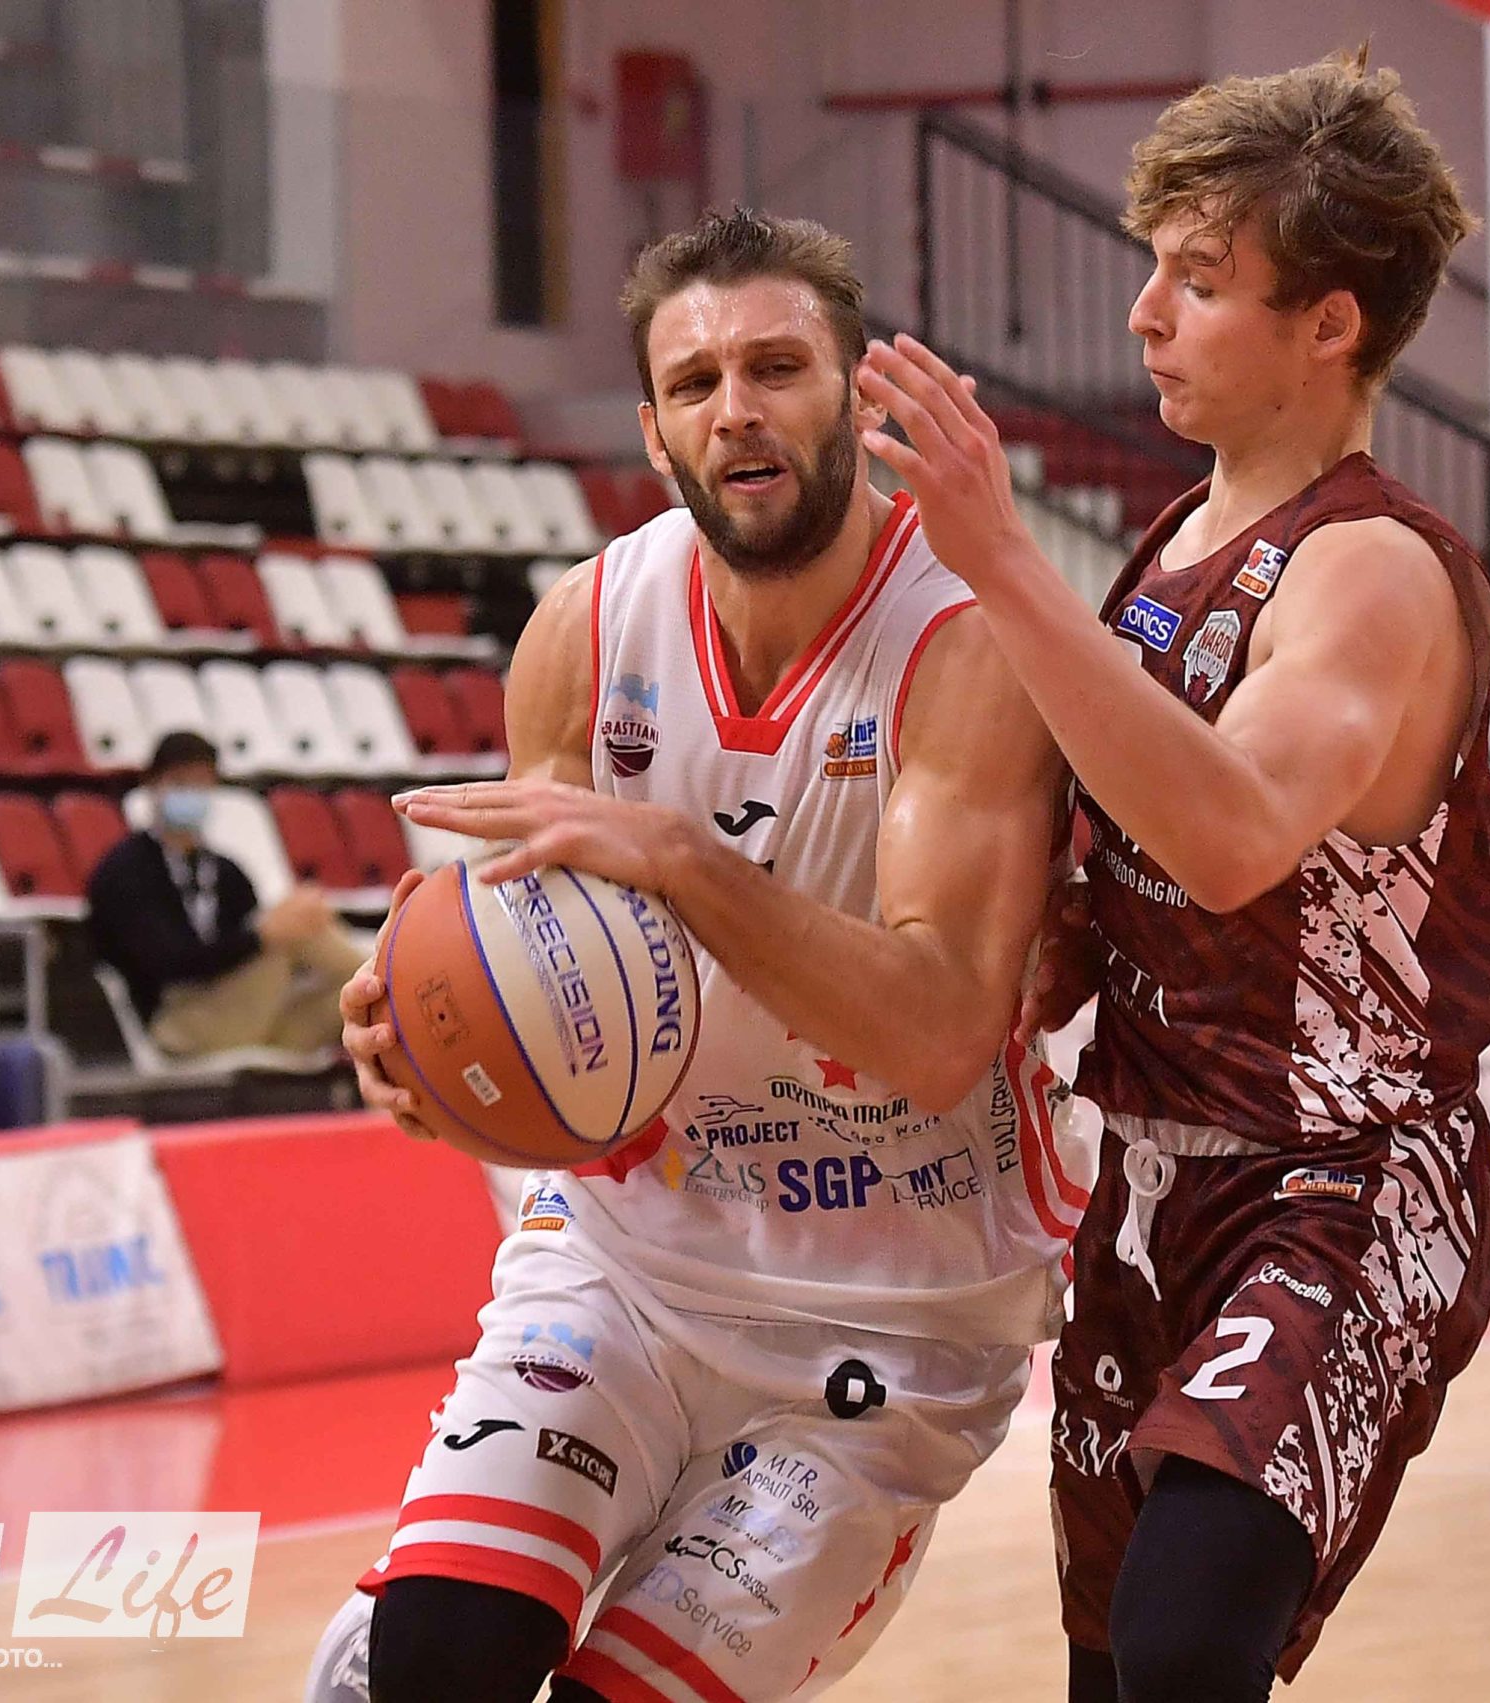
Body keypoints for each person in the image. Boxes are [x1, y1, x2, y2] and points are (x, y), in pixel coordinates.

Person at [306, 208, 1079, 1703]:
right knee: (435, 1659)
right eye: (696, 381)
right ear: (656, 435)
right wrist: (425, 1044)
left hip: (887, 1324)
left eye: (778, 367)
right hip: (626, 1265)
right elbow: (530, 967)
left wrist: (684, 859)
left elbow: (939, 1035)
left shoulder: (968, 643)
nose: (738, 408)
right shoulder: (584, 629)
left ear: (853, 397)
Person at [857, 48, 1490, 1703]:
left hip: (1343, 1182)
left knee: (1185, 1640)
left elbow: (1229, 837)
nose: (1146, 312)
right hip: (1155, 1185)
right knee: (1113, 1666)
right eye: (1155, 266)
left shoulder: (1371, 569)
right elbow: (1133, 860)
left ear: (1330, 322)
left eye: (1201, 281)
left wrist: (1000, 557)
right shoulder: (1170, 547)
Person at [84, 730, 365, 1058]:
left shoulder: (225, 871)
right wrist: (262, 936)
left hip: (242, 1015)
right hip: (177, 1023)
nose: (192, 794)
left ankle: (376, 983)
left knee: (335, 976)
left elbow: (247, 948)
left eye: (201, 784)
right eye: (180, 782)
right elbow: (167, 963)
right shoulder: (125, 871)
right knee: (289, 935)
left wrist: (279, 928)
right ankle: (383, 980)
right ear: (152, 784)